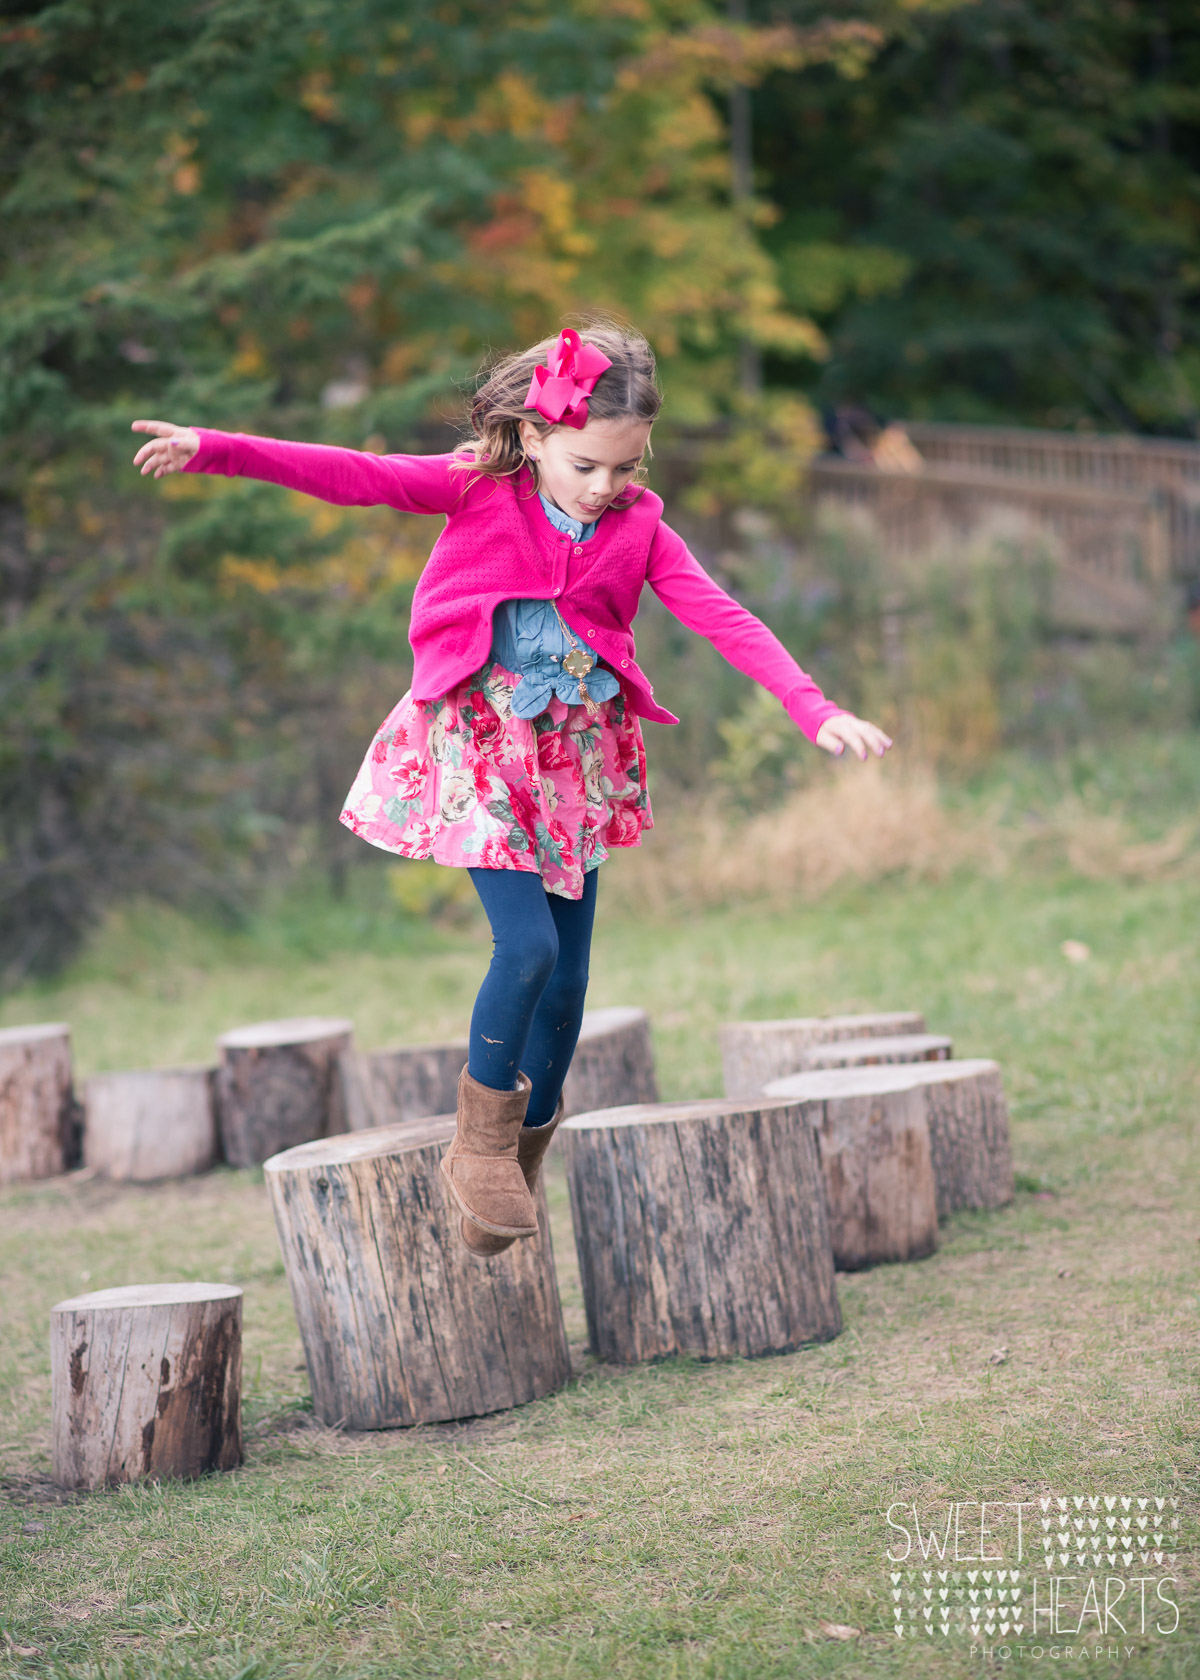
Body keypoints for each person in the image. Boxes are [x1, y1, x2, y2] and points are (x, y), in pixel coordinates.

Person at [131, 321, 892, 1256]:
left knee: (570, 982)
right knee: (525, 949)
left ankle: (517, 1157)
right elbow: (352, 474)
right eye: (586, 466)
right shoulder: (478, 487)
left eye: (627, 466)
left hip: (574, 760)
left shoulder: (640, 526)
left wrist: (811, 708)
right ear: (533, 438)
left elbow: (721, 615)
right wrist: (217, 450)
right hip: (480, 744)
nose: (607, 486)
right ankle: (479, 1145)